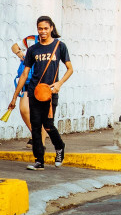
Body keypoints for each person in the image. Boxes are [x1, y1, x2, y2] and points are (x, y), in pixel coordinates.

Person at [8, 16, 73, 170]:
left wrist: (59, 83)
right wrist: (14, 96)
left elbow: (70, 69)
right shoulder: (32, 49)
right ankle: (39, 161)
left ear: (51, 28)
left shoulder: (59, 46)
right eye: (40, 29)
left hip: (50, 92)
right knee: (36, 126)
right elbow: (25, 74)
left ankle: (60, 147)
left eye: (45, 28)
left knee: (48, 125)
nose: (43, 31)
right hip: (34, 91)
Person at [10, 35, 40, 147]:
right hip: (28, 79)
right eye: (40, 28)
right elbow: (14, 46)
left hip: (43, 81)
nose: (42, 31)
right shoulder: (32, 40)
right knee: (24, 109)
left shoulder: (54, 44)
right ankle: (36, 133)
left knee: (40, 112)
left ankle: (38, 140)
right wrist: (19, 53)